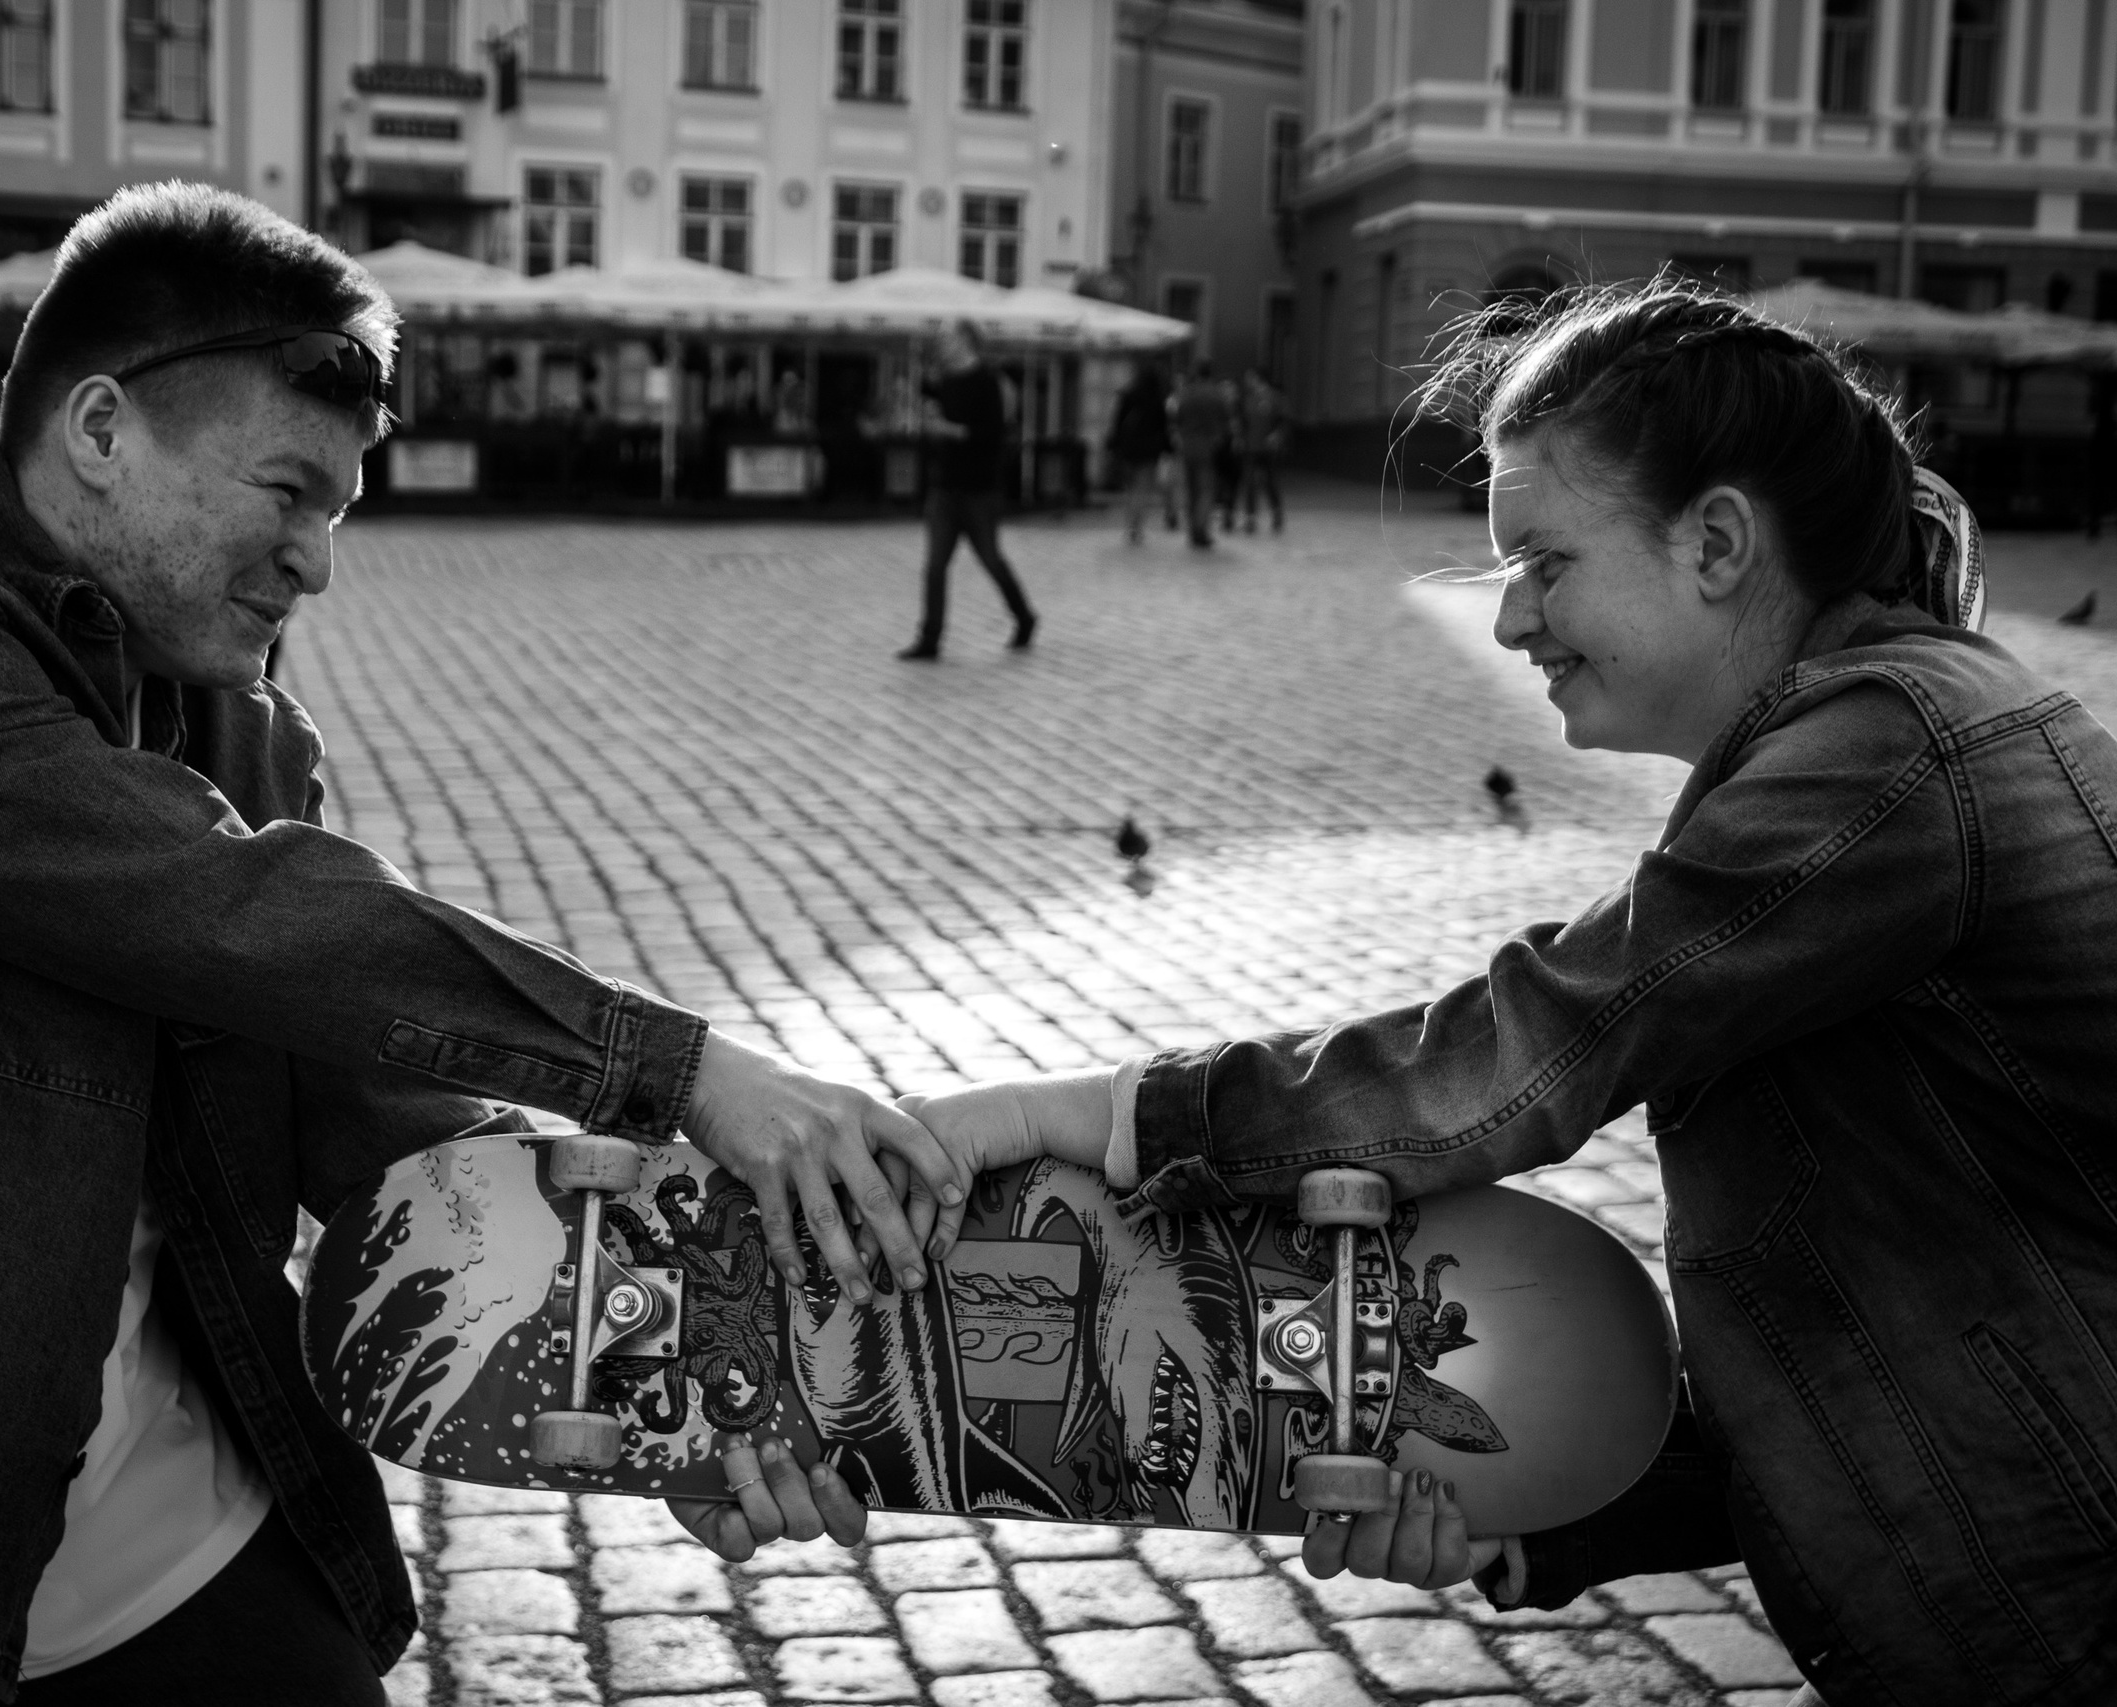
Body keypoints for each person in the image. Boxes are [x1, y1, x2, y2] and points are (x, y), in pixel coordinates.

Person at [0, 183, 960, 1705]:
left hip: (169, 1546)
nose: (317, 562)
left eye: (338, 511)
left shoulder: (238, 719)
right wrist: (677, 1067)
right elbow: (240, 911)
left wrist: (665, 1398)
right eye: (285, 492)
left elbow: (377, 1121)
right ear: (100, 429)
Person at [693, 281, 2117, 1706]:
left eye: (1546, 561)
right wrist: (1527, 1511)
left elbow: (1530, 1046)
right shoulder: (1889, 729)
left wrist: (1091, 1109)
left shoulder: (1892, 753)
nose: (1510, 617)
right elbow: (1868, 1358)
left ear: (1719, 542)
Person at [899, 322, 1036, 660]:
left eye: (950, 338)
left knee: (990, 559)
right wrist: (925, 417)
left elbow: (990, 435)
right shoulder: (945, 381)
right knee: (934, 565)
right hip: (945, 487)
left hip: (979, 489)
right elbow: (936, 424)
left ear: (966, 342)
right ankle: (930, 638)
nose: (944, 344)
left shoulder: (988, 382)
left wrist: (947, 429)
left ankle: (1024, 617)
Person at [1104, 362, 1173, 545]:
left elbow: (1117, 423)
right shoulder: (1158, 398)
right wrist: (1167, 447)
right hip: (1150, 449)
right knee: (1143, 489)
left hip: (1129, 448)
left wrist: (1115, 444)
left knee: (1131, 488)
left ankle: (1130, 525)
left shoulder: (1128, 395)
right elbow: (1163, 427)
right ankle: (1137, 526)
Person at [1168, 360, 1235, 549]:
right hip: (1209, 446)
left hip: (1188, 446)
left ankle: (1192, 529)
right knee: (1206, 489)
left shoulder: (1186, 394)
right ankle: (1201, 528)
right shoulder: (1216, 394)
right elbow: (1226, 420)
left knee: (1192, 490)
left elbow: (1177, 418)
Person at [1233, 367, 1288, 534]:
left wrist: (1277, 435)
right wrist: (1240, 437)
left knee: (1270, 481)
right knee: (1249, 481)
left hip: (1268, 448)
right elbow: (1241, 421)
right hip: (1251, 446)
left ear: (1258, 379)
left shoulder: (1275, 397)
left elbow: (1284, 421)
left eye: (1250, 378)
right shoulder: (1247, 399)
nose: (1247, 381)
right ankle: (1250, 518)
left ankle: (1277, 513)